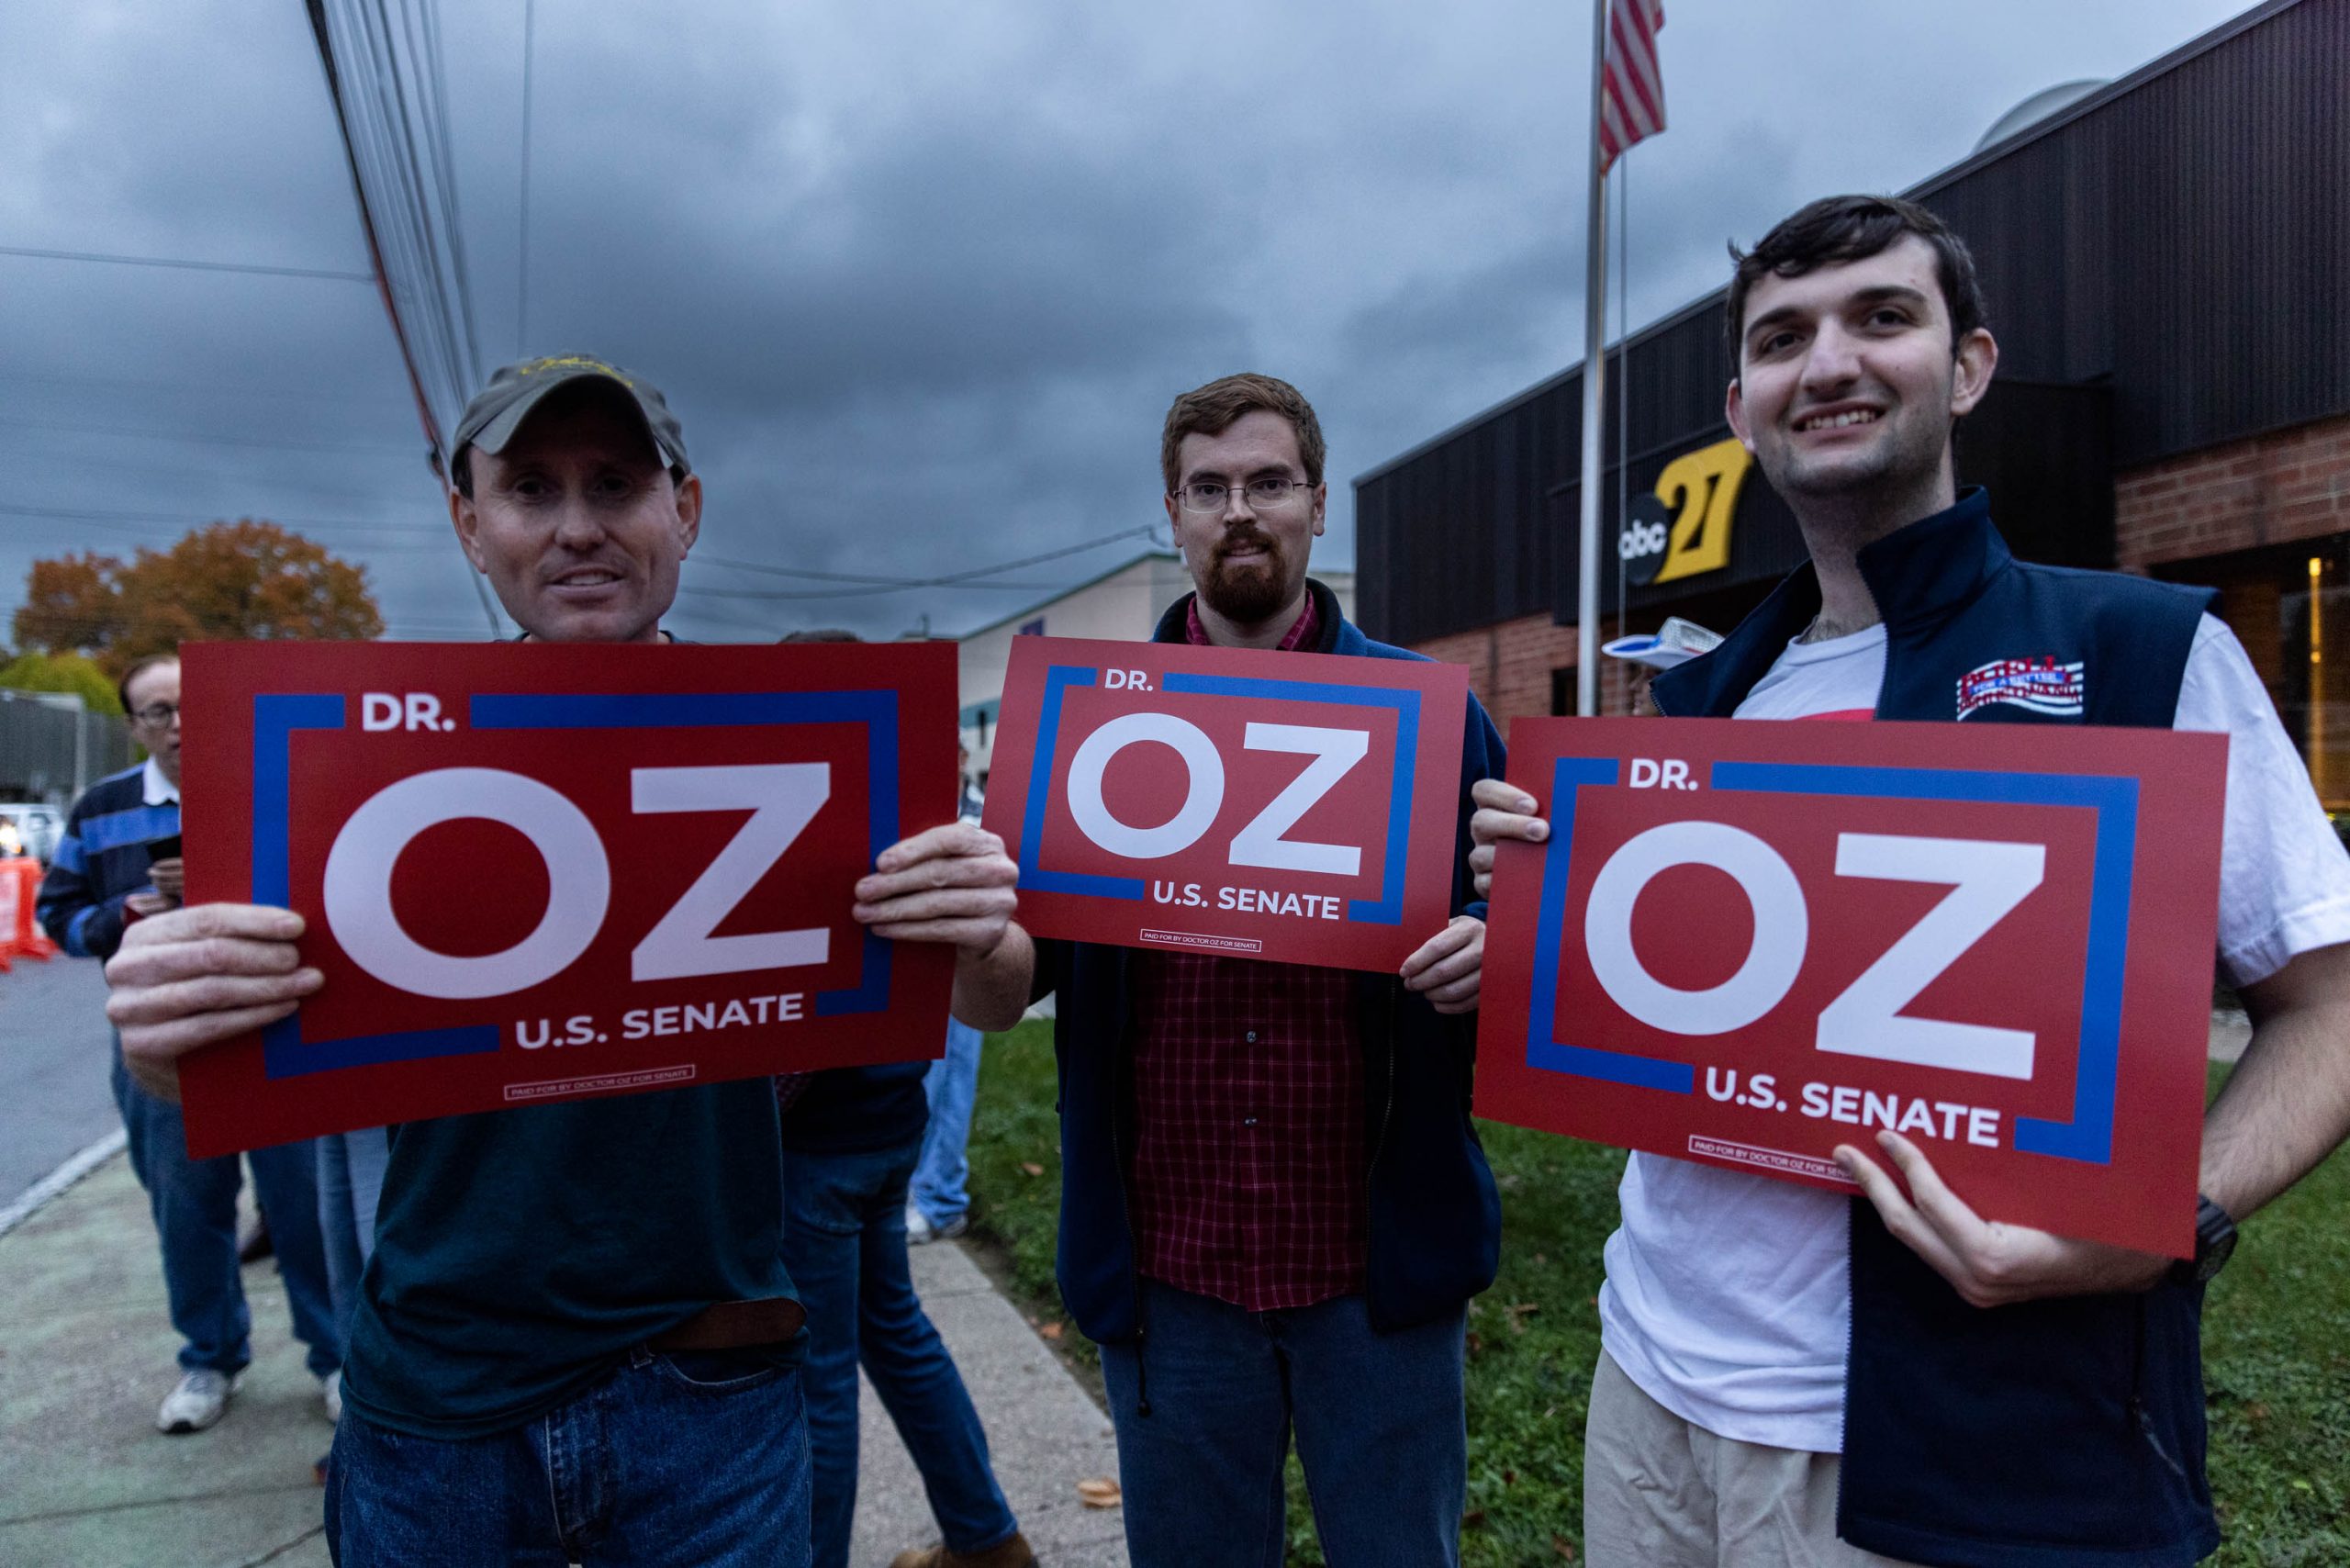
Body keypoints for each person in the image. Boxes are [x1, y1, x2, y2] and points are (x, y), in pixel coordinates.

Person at [1470, 195, 2350, 1567]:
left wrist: (2171, 1222)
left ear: (1969, 365)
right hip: (1646, 1388)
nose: (1828, 363)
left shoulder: (2135, 655)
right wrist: (1537, 923)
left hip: (1932, 1446)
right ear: (1741, 408)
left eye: (1882, 317)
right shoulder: (1708, 698)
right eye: (1782, 338)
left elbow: (2331, 1006)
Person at [100, 354, 1022, 1567]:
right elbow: (204, 1066)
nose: (578, 527)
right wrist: (165, 1030)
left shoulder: (802, 737)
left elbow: (993, 994)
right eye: (532, 489)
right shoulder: (354, 761)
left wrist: (982, 921)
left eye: (616, 484)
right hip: (446, 1392)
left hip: (716, 1380)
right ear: (469, 524)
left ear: (684, 510)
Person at [948, 373, 1505, 1565]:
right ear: (1172, 515)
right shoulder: (1087, 722)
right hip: (1172, 1273)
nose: (1239, 510)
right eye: (1208, 488)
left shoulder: (1432, 716)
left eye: (1268, 482)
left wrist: (1496, 948)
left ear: (1317, 503)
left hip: (1375, 1270)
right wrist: (964, 929)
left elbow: (1517, 940)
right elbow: (997, 999)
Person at [37, 653, 340, 1434]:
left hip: (277, 1033)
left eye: (192, 705)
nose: (179, 724)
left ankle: (336, 1358)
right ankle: (210, 1359)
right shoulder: (102, 809)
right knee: (187, 1210)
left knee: (304, 1205)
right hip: (162, 1043)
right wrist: (128, 914)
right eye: (159, 711)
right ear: (134, 726)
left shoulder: (270, 786)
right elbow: (55, 916)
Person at [905, 742, 987, 1246]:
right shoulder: (916, 810)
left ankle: (939, 1199)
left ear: (960, 758)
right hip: (917, 961)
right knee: (925, 1080)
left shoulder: (984, 816)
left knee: (951, 1079)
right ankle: (927, 1191)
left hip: (961, 962)